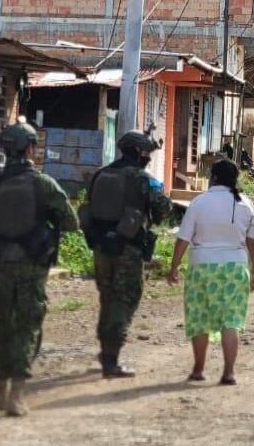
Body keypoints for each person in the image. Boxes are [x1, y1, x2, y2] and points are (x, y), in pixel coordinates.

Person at [0, 121, 78, 417]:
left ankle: (0, 391)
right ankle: (17, 393)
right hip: (32, 265)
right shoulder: (43, 184)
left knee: (3, 325)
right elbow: (70, 221)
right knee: (27, 327)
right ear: (30, 148)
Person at [83, 131, 172, 378]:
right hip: (128, 249)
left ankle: (106, 351)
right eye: (145, 152)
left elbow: (89, 206)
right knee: (124, 300)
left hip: (101, 248)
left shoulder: (101, 174)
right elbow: (163, 209)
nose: (148, 157)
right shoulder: (142, 179)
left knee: (108, 298)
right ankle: (111, 361)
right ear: (136, 152)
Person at [166, 160, 254, 385]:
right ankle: (229, 373)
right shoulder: (245, 204)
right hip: (234, 269)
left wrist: (173, 268)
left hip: (201, 268)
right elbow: (253, 243)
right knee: (231, 321)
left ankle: (198, 370)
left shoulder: (199, 202)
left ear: (214, 178)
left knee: (199, 319)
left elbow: (183, 238)